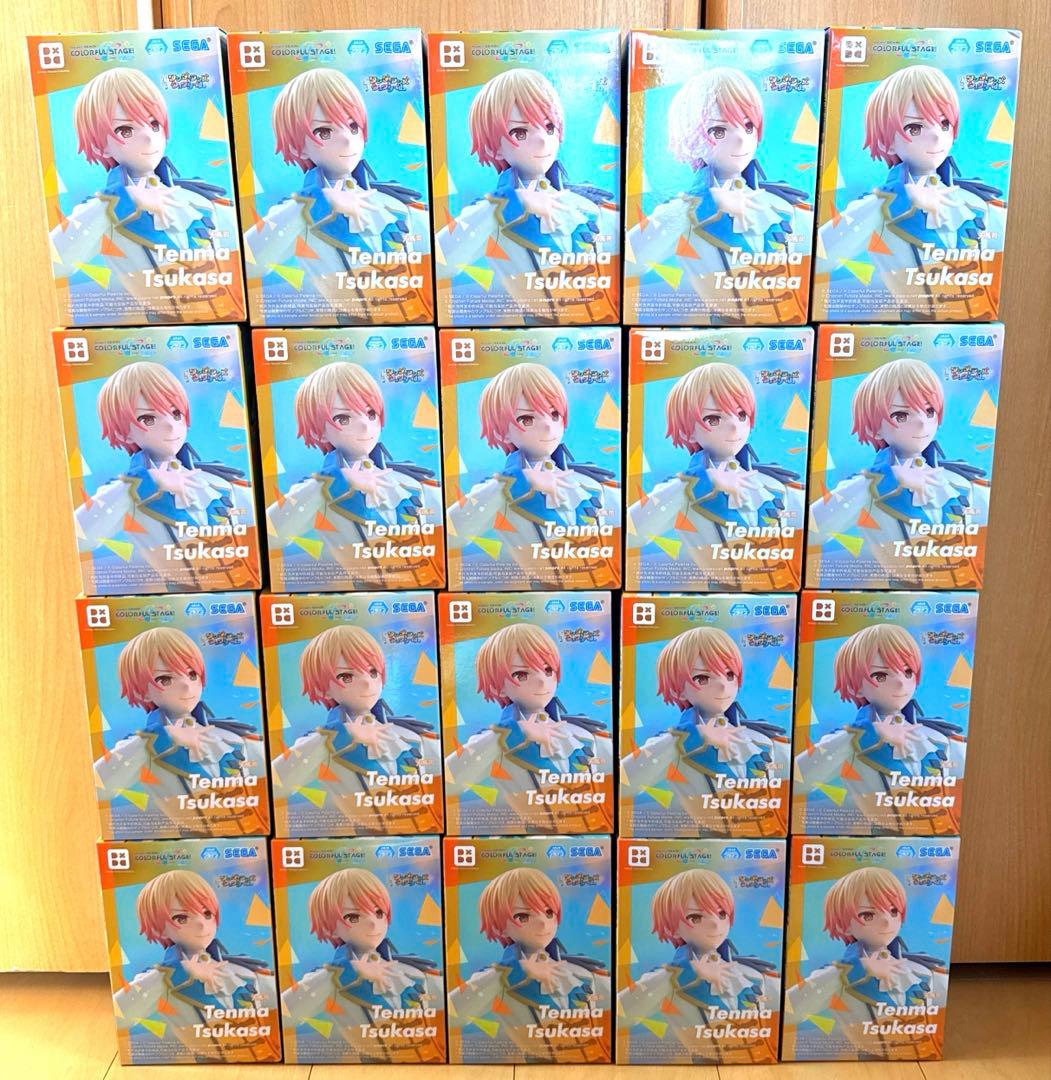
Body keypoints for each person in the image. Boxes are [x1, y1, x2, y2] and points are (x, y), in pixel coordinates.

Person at [817, 65, 1004, 319]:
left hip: (976, 327)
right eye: (914, 128)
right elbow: (819, 255)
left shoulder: (974, 201)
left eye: (944, 123)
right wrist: (904, 198)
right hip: (913, 327)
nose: (936, 136)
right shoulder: (880, 208)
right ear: (886, 142)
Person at [245, 68, 430, 321]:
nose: (347, 140)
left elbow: (442, 261)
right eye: (324, 132)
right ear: (299, 148)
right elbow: (248, 262)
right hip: (354, 332)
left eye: (353, 126)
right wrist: (320, 203)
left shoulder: (394, 203)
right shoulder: (299, 213)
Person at [626, 67, 809, 323]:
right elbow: (627, 261)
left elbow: (821, 258)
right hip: (724, 333)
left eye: (748, 126)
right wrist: (710, 203)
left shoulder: (778, 204)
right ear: (692, 139)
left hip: (792, 333)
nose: (741, 139)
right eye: (719, 131)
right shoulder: (684, 213)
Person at [52, 67, 239, 314]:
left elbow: (250, 259)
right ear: (101, 146)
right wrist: (124, 200)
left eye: (154, 124)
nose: (149, 138)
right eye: (125, 130)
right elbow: (54, 262)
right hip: (165, 332)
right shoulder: (105, 211)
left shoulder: (197, 200)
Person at [435, 68, 616, 320]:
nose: (542, 140)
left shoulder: (584, 203)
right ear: (494, 148)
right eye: (520, 132)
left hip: (604, 333)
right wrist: (513, 202)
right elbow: (439, 263)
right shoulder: (493, 213)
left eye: (549, 127)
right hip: (539, 334)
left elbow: (631, 259)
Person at [808, 357, 988, 587]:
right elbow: (812, 529)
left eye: (929, 411)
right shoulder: (869, 487)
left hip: (965, 594)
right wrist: (891, 480)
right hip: (902, 595)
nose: (921, 423)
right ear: (875, 428)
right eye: (901, 415)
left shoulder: (958, 481)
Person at [75, 360, 253, 590]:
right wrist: (150, 482)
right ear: (124, 433)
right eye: (148, 419)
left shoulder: (217, 482)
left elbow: (271, 531)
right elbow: (79, 537)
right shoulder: (129, 493)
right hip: (185, 600)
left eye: (176, 413)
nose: (170, 425)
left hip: (243, 594)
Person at [266, 361, 442, 588]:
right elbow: (271, 534)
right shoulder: (319, 491)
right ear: (320, 433)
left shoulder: (409, 482)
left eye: (371, 413)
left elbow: (452, 532)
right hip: (365, 596)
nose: (365, 426)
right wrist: (339, 481)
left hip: (425, 592)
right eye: (343, 418)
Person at [627, 362, 801, 589]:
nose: (735, 427)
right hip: (722, 598)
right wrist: (705, 481)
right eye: (713, 419)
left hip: (783, 597)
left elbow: (815, 529)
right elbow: (631, 533)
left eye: (741, 414)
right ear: (688, 432)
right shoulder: (684, 490)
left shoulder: (771, 484)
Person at [448, 362, 617, 587]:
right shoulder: (501, 491)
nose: (548, 426)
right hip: (543, 597)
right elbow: (450, 534)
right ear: (502, 432)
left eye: (554, 414)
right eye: (527, 419)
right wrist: (521, 481)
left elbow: (633, 532)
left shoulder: (588, 482)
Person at [794, 623, 964, 833]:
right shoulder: (850, 741)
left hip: (944, 839)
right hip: (882, 840)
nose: (901, 683)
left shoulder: (937, 736)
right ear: (855, 687)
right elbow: (797, 780)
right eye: (881, 676)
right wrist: (870, 734)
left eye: (908, 672)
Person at [271, 624, 440, 831]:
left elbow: (449, 778)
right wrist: (343, 735)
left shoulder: (408, 734)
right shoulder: (324, 743)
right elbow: (275, 784)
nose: (367, 683)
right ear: (323, 689)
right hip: (368, 839)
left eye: (373, 672)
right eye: (346, 676)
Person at [94, 626, 263, 831]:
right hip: (195, 845)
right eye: (165, 679)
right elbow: (96, 787)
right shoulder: (145, 746)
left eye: (192, 674)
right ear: (143, 692)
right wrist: (165, 736)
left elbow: (276, 780)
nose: (186, 686)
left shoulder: (230, 735)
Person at [621, 627, 788, 833]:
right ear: (678, 690)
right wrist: (695, 736)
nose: (723, 686)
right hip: (711, 843)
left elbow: (800, 779)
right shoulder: (675, 745)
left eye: (729, 674)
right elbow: (624, 782)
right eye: (702, 678)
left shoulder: (760, 738)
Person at [446, 623, 611, 832]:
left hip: (597, 838)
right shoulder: (496, 741)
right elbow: (449, 781)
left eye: (548, 670)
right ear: (498, 687)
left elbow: (625, 780)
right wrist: (516, 733)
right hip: (538, 839)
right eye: (521, 675)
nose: (542, 681)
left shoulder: (581, 733)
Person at [618, 868, 779, 1061]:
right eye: (696, 917)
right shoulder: (670, 979)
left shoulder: (750, 973)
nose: (715, 924)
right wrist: (692, 974)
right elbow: (620, 1014)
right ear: (673, 929)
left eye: (722, 914)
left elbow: (789, 1009)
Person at [279, 868, 443, 1059]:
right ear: (331, 928)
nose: (373, 923)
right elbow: (284, 1015)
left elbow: (453, 1013)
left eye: (379, 912)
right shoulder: (331, 979)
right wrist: (349, 971)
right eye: (353, 917)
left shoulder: (412, 971)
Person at [785, 867, 947, 1056]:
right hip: (870, 1062)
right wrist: (859, 968)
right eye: (868, 915)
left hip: (924, 1057)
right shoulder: (840, 976)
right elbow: (789, 1010)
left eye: (893, 911)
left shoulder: (920, 969)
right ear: (844, 926)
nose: (886, 921)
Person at [113, 870, 277, 1057]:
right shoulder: (163, 979)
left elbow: (286, 1011)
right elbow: (119, 1015)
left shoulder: (242, 970)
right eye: (181, 918)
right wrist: (181, 971)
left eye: (207, 913)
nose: (201, 924)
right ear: (160, 929)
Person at [448, 867, 610, 1055]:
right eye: (523, 916)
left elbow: (620, 1010)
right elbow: (452, 1014)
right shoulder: (500, 978)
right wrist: (516, 970)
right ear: (500, 928)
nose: (542, 922)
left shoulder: (580, 971)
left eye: (549, 912)